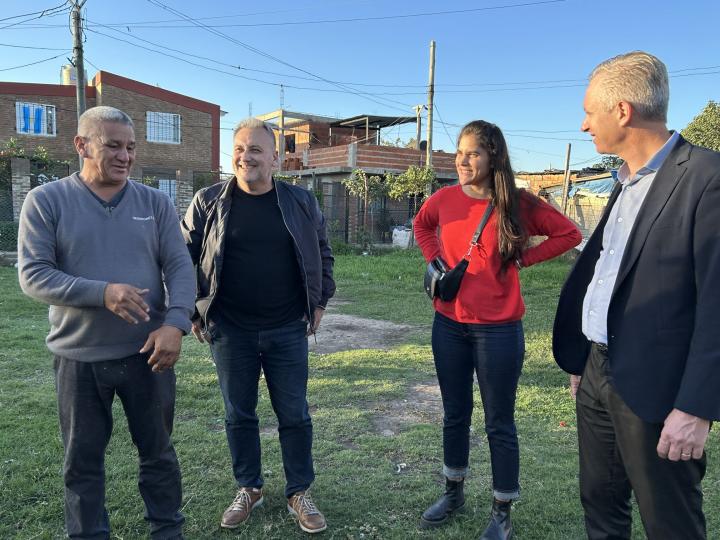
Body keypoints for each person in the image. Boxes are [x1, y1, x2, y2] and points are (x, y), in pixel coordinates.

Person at [553, 50, 720, 540]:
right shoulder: (623, 183)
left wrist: (696, 408)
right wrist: (585, 355)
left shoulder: (707, 178)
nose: (585, 125)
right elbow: (608, 274)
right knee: (600, 505)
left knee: (669, 521)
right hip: (597, 373)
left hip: (661, 391)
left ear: (622, 111)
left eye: (589, 111)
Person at [18, 106, 195, 540]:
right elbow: (34, 274)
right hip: (79, 358)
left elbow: (180, 267)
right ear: (81, 145)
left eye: (130, 147)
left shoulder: (154, 203)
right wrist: (103, 292)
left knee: (158, 454)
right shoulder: (46, 201)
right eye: (112, 145)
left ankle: (167, 531)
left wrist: (175, 323)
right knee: (82, 462)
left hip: (147, 354)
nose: (125, 156)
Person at [414, 120, 581, 538]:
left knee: (498, 422)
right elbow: (422, 225)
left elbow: (569, 233)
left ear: (493, 157)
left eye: (473, 153)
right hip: (448, 324)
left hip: (498, 331)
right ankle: (453, 492)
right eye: (460, 151)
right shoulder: (444, 198)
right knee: (455, 413)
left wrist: (523, 260)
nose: (463, 160)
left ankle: (502, 510)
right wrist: (436, 261)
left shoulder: (518, 204)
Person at [182, 118, 335, 534]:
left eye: (254, 150)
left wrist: (320, 300)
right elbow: (183, 259)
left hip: (287, 327)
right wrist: (194, 312)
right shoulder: (207, 201)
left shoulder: (301, 202)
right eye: (239, 148)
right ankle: (249, 487)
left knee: (295, 414)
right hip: (230, 329)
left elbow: (323, 251)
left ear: (275, 158)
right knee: (239, 414)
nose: (245, 157)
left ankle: (298, 491)